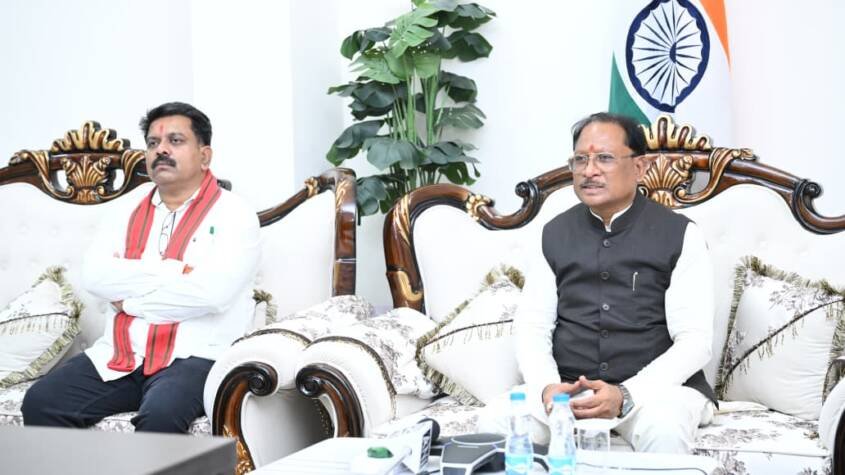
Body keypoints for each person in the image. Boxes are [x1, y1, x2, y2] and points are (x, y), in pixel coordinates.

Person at [480, 112, 715, 453]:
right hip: (570, 391)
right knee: (496, 420)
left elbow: (695, 342)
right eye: (580, 160)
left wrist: (626, 394)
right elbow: (533, 327)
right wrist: (548, 388)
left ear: (640, 167)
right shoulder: (554, 233)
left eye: (604, 158)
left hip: (655, 393)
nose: (589, 171)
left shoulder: (680, 234)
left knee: (663, 429)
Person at [22, 102, 260, 433]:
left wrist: (131, 304)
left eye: (175, 140)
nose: (161, 150)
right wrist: (174, 271)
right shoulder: (124, 210)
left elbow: (210, 295)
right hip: (123, 353)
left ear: (204, 156)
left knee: (161, 415)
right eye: (152, 142)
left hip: (195, 357)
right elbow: (96, 276)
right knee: (42, 402)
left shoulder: (234, 214)